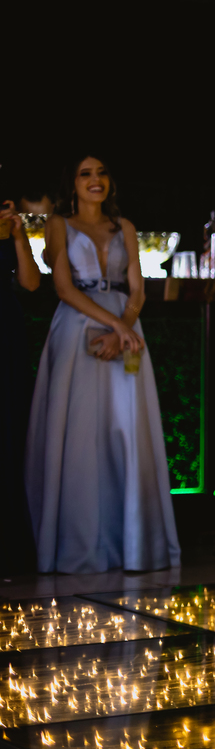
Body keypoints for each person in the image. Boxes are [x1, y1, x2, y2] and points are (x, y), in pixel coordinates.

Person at [25, 155, 180, 574]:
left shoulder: (125, 227)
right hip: (76, 327)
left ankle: (132, 545)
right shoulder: (58, 224)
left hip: (125, 330)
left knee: (126, 430)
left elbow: (137, 291)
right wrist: (114, 325)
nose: (96, 180)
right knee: (77, 435)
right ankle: (76, 547)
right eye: (85, 174)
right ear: (72, 183)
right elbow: (61, 286)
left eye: (102, 173)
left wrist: (123, 330)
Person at [0, 199, 41, 574]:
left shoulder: (7, 224)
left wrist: (18, 235)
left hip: (5, 327)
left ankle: (9, 547)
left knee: (9, 432)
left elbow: (30, 281)